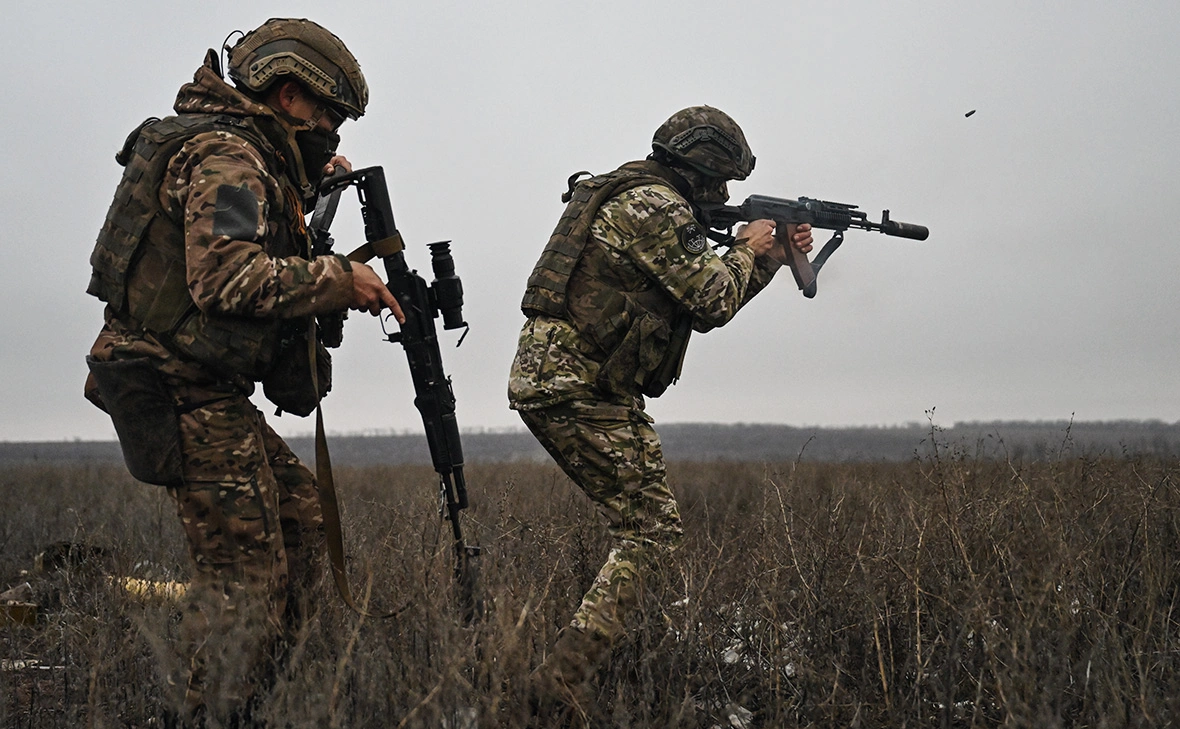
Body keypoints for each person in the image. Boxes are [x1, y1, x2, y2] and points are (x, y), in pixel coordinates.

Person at [83, 18, 401, 726]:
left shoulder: (246, 152)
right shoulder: (229, 158)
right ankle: (213, 713)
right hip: (177, 388)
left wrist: (310, 181)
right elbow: (226, 279)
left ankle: (254, 704)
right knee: (246, 585)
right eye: (328, 117)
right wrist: (338, 280)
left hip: (203, 388)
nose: (332, 133)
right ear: (289, 97)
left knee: (304, 526)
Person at [508, 105, 814, 715]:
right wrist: (751, 249)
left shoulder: (643, 195)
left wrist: (770, 259)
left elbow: (704, 303)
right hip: (577, 384)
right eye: (719, 181)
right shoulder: (655, 206)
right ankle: (557, 683)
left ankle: (564, 676)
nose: (725, 194)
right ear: (698, 171)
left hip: (572, 380)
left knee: (645, 529)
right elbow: (712, 297)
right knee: (650, 532)